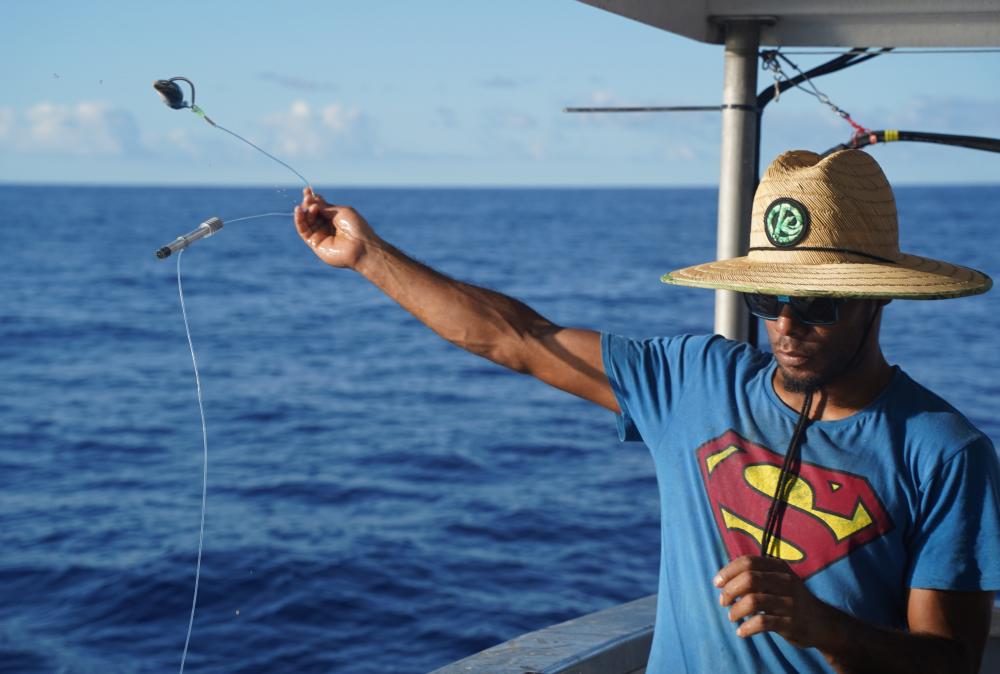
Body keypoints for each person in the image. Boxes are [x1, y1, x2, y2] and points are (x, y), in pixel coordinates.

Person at [293, 149, 1000, 673]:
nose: (784, 326)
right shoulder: (694, 381)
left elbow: (951, 663)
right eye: (766, 299)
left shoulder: (943, 451)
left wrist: (826, 628)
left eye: (814, 304)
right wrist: (367, 257)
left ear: (877, 298)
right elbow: (519, 339)